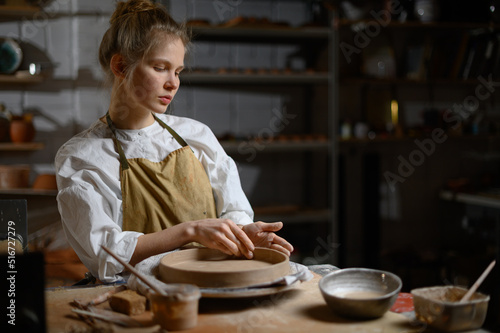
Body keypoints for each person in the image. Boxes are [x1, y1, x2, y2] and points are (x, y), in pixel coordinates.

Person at [55, 0, 294, 282]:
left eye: (178, 71)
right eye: (160, 68)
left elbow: (234, 209)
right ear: (120, 66)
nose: (173, 83)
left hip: (213, 284)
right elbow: (106, 254)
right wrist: (189, 231)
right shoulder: (83, 157)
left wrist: (243, 234)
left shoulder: (196, 136)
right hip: (138, 298)